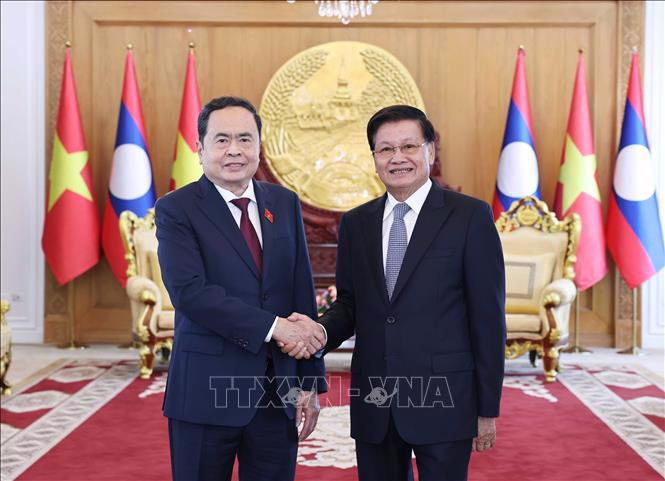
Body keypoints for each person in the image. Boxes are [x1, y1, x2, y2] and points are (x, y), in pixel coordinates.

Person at [283, 105, 506, 481]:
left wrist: (486, 407)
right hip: (376, 400)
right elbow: (351, 305)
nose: (397, 157)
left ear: (430, 151)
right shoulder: (356, 223)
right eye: (385, 149)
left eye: (408, 146)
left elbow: (487, 317)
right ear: (374, 159)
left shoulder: (470, 217)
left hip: (446, 399)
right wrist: (318, 332)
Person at [156, 96, 327, 481]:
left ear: (259, 147)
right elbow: (190, 292)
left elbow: (301, 294)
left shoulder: (283, 202)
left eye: (245, 139)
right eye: (222, 140)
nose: (234, 149)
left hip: (276, 393)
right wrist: (275, 327)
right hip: (205, 393)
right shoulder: (177, 209)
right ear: (200, 149)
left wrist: (310, 381)